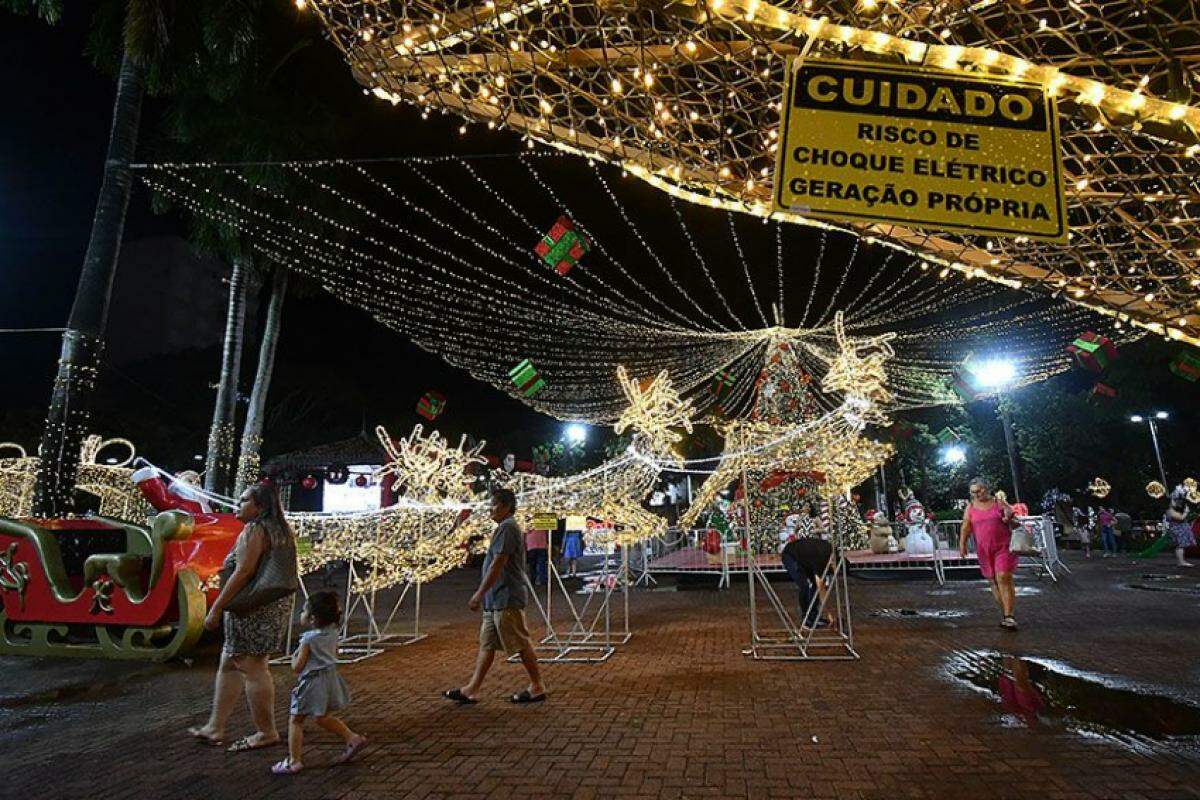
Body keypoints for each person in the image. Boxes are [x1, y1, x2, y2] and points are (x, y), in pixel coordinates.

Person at [188, 482, 296, 752]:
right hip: (268, 605)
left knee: (252, 667)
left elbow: (243, 571)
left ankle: (266, 731)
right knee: (230, 662)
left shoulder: (255, 530)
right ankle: (216, 726)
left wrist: (216, 608)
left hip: (250, 607)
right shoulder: (279, 530)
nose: (239, 503)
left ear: (260, 506)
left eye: (245, 500)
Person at [443, 489, 546, 704]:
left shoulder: (508, 528)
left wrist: (479, 594)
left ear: (507, 506)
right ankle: (471, 689)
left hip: (505, 596)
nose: (490, 509)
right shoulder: (503, 527)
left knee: (520, 642)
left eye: (494, 504)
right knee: (487, 644)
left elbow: (498, 563)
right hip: (495, 599)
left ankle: (537, 686)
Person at [271, 591, 367, 775]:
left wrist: (293, 656)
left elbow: (297, 667)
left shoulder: (308, 639)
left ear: (313, 618)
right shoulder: (333, 633)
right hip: (329, 678)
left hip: (312, 682)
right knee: (321, 717)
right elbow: (334, 654)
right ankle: (352, 738)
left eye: (303, 610)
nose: (301, 613)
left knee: (296, 719)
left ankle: (294, 761)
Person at [960, 477, 1021, 630]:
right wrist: (962, 544)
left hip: (1004, 547)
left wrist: (1009, 519)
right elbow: (966, 526)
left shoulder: (999, 503)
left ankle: (1009, 616)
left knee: (1003, 577)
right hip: (984, 549)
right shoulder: (970, 507)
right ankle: (1006, 612)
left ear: (986, 488)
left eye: (979, 490)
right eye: (973, 492)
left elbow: (1016, 523)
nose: (976, 494)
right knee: (993, 580)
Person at [780, 530, 836, 630]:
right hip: (791, 555)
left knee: (814, 586)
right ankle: (806, 619)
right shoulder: (822, 559)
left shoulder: (831, 551)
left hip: (805, 558)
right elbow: (821, 587)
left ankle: (813, 616)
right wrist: (829, 614)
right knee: (804, 585)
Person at [1164, 488, 1195, 568]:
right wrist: (1186, 512)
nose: (1176, 502)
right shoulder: (1170, 510)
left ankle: (1182, 561)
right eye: (1174, 501)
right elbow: (1180, 518)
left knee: (1181, 546)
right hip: (1178, 530)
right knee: (1180, 546)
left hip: (1181, 529)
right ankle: (1181, 562)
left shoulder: (1175, 509)